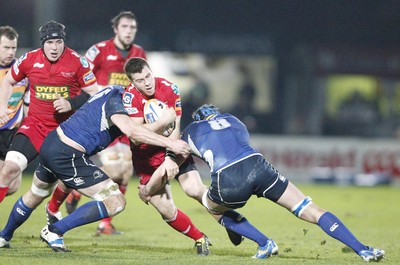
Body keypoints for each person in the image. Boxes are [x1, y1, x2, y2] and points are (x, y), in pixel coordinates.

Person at [150, 104, 385, 262]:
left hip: (228, 176)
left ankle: (263, 242)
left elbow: (179, 154)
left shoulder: (191, 130)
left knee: (211, 207)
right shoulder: (235, 120)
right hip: (259, 166)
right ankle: (363, 249)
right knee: (309, 209)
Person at [0, 85, 190, 252]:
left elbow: (134, 128)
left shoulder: (112, 92)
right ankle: (53, 230)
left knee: (35, 194)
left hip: (53, 143)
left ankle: (4, 236)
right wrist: (169, 138)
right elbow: (133, 133)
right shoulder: (118, 103)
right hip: (68, 154)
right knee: (115, 201)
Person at [48, 11, 147, 235]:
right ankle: (73, 189)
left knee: (125, 171)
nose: (129, 31)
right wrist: (74, 104)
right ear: (116, 28)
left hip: (125, 118)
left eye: (133, 27)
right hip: (102, 119)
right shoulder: (99, 51)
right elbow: (81, 78)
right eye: (125, 27)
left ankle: (104, 223)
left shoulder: (139, 53)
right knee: (117, 168)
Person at [122, 57, 214, 255]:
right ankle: (199, 237)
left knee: (196, 190)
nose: (147, 82)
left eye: (148, 76)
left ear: (151, 71)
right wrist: (163, 120)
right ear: (133, 83)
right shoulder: (129, 98)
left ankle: (235, 223)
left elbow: (175, 127)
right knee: (165, 209)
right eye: (140, 80)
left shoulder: (169, 88)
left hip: (172, 150)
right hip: (146, 158)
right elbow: (138, 137)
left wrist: (170, 158)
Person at [0, 20, 98, 204]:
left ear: (64, 42)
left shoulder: (78, 61)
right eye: (49, 43)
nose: (54, 47)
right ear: (42, 43)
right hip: (35, 126)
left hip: (64, 132)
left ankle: (53, 212)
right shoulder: (29, 59)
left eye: (58, 42)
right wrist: (3, 107)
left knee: (48, 188)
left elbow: (94, 93)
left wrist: (71, 103)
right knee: (9, 170)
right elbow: (8, 81)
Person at [0, 25, 29, 184]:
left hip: (11, 133)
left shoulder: (22, 70)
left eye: (13, 48)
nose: (11, 52)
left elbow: (27, 101)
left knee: (13, 185)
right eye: (6, 47)